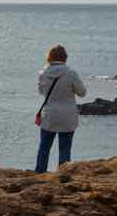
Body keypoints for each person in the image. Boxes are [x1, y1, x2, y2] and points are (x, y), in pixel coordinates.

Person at [35, 44, 86, 173]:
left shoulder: (43, 73)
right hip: (68, 116)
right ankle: (63, 175)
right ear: (65, 58)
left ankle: (39, 173)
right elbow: (82, 93)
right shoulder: (71, 73)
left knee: (44, 147)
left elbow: (41, 91)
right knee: (65, 149)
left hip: (50, 115)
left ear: (49, 57)